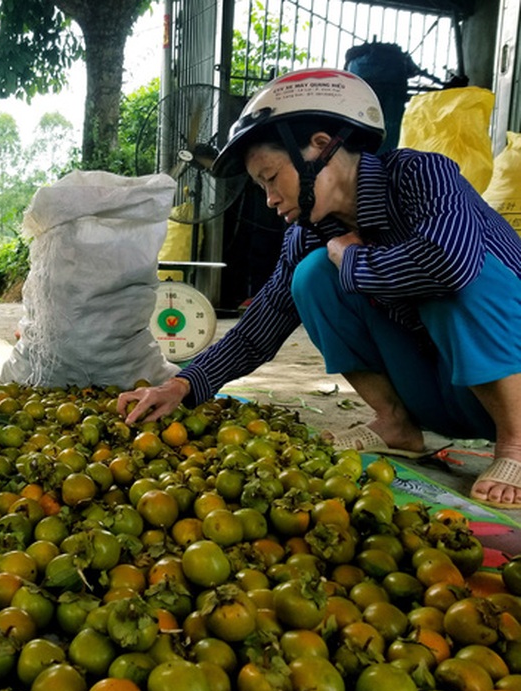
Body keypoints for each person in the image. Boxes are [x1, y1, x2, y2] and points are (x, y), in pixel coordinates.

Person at [118, 68, 521, 509]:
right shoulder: (311, 233)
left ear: (320, 147)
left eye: (271, 178)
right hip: (448, 392)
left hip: (509, 380)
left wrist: (352, 261)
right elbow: (259, 329)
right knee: (310, 276)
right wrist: (182, 385)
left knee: (449, 275)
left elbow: (449, 264)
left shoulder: (421, 175)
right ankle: (394, 423)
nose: (269, 198)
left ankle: (516, 445)